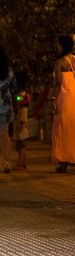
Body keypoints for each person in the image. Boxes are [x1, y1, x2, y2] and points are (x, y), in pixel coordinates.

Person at [52, 35, 75, 173]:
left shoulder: (59, 62)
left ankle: (63, 162)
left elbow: (58, 82)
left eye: (58, 44)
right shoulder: (74, 60)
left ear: (62, 45)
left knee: (62, 129)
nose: (57, 47)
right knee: (73, 129)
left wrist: (54, 99)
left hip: (64, 98)